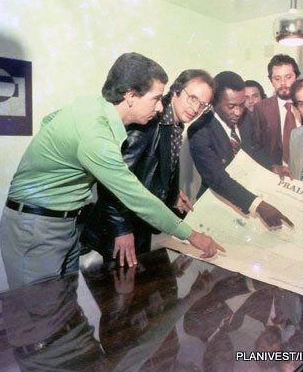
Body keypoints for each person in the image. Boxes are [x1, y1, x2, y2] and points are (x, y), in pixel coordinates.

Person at [0, 53, 224, 289]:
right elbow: (136, 197)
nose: (160, 107)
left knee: (66, 313)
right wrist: (193, 236)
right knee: (38, 316)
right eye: (156, 98)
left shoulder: (90, 105)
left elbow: (49, 120)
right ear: (130, 96)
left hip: (65, 222)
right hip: (37, 226)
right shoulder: (98, 137)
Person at [80, 69, 214, 266]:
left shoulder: (174, 124)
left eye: (202, 105)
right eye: (192, 98)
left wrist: (171, 194)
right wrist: (121, 229)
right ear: (176, 90)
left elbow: (151, 170)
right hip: (114, 232)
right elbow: (113, 181)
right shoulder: (148, 120)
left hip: (139, 226)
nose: (195, 109)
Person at [188, 71, 293, 230]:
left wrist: (272, 166)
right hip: (216, 201)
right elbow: (218, 179)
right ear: (214, 102)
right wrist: (258, 205)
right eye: (231, 107)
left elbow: (254, 149)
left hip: (248, 193)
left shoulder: (246, 118)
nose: (238, 112)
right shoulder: (199, 130)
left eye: (241, 105)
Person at [251, 54, 301, 166]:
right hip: (276, 174)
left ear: (296, 77)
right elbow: (256, 146)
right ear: (271, 80)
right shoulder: (261, 109)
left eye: (288, 77)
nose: (283, 83)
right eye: (277, 78)